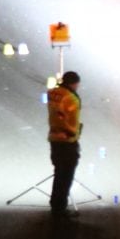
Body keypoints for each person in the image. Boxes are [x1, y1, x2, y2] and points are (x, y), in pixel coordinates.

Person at [47, 71, 82, 218]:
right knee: (66, 175)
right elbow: (72, 120)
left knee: (58, 173)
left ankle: (55, 204)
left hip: (54, 138)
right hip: (67, 140)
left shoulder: (53, 93)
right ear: (74, 83)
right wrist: (76, 133)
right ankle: (60, 207)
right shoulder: (71, 98)